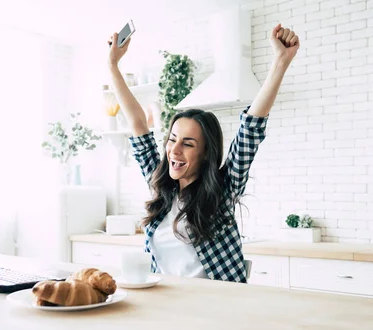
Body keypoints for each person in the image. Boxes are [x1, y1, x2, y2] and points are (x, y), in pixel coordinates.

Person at [106, 24, 299, 283]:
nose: (174, 150)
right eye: (172, 139)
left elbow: (250, 130)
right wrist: (113, 66)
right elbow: (138, 123)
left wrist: (281, 61)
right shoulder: (161, 186)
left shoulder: (222, 190)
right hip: (165, 304)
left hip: (215, 307)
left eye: (187, 143)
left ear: (206, 153)